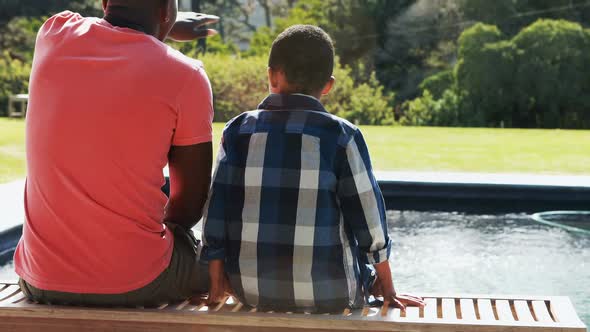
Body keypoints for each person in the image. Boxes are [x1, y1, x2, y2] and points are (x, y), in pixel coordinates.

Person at [202, 25, 425, 313]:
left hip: (251, 290)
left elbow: (216, 212)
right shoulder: (341, 136)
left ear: (271, 75)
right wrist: (388, 287)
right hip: (331, 293)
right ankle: (372, 283)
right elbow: (369, 222)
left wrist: (217, 284)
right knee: (354, 261)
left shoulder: (238, 131)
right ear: (329, 85)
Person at [14, 0, 218, 307]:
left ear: (105, 2)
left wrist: (162, 21)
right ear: (165, 11)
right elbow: (189, 206)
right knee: (223, 262)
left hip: (39, 279)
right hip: (139, 280)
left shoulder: (54, 34)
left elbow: (112, 24)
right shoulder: (186, 76)